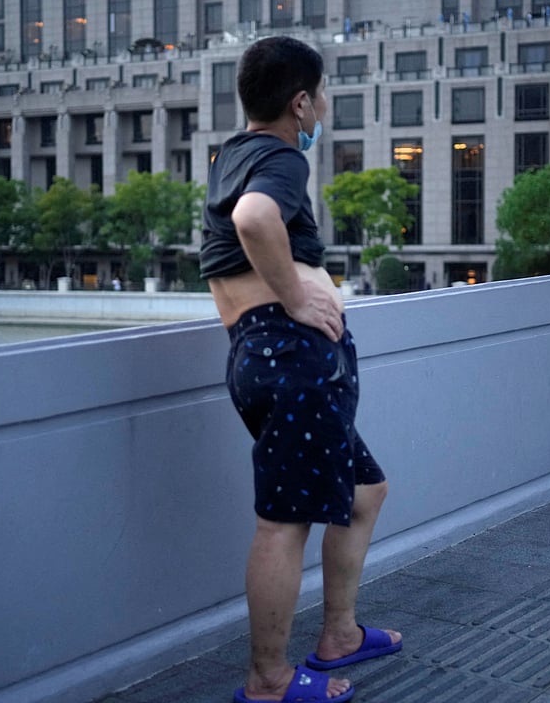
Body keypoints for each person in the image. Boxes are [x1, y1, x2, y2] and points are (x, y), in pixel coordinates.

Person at [200, 36, 401, 703]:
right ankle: (268, 681)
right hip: (290, 358)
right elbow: (255, 220)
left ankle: (339, 632)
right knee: (284, 523)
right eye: (321, 94)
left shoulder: (234, 154)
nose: (323, 107)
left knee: (364, 492)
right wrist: (294, 296)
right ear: (301, 102)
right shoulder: (280, 158)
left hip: (272, 359)